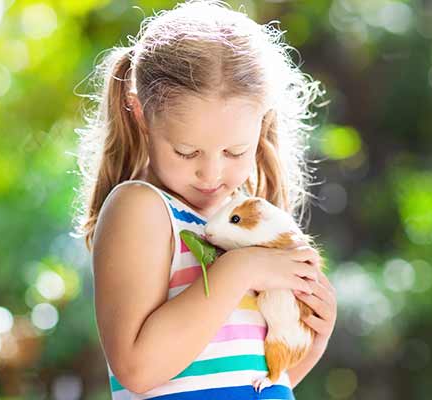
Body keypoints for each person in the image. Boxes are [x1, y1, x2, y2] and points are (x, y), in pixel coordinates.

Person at [70, 1, 337, 398]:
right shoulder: (141, 209)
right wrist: (241, 271)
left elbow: (249, 383)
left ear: (261, 122)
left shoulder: (245, 222)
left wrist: (313, 339)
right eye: (186, 152)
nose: (211, 175)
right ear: (142, 115)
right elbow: (138, 370)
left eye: (233, 152)